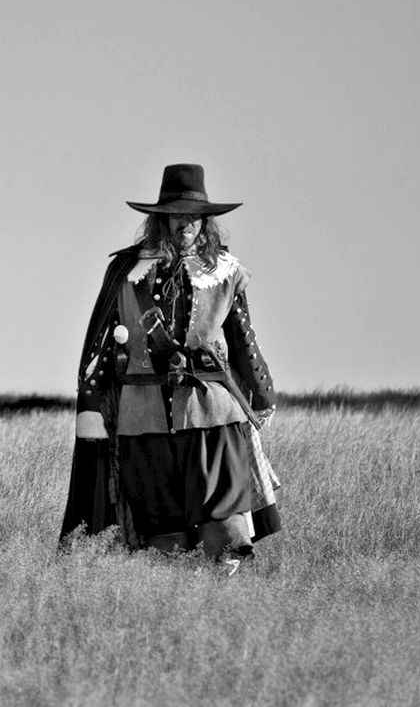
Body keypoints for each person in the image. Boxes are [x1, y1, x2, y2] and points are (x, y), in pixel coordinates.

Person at [58, 163, 281, 573]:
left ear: (206, 222)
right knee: (160, 516)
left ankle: (223, 591)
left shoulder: (226, 271)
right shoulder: (126, 271)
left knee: (223, 509)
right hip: (143, 413)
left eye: (194, 216)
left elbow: (243, 338)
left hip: (211, 410)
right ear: (161, 218)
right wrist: (91, 403)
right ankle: (175, 593)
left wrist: (263, 393)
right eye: (177, 214)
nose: (186, 223)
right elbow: (102, 342)